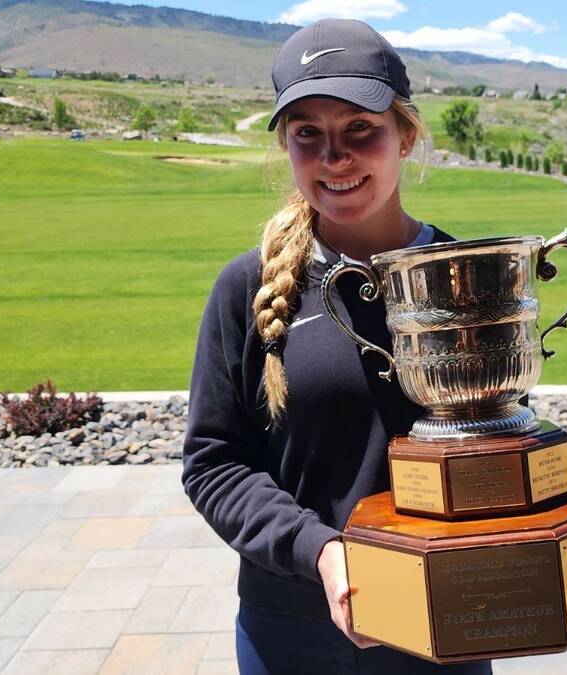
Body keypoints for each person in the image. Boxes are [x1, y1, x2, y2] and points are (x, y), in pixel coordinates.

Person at [181, 18, 492, 675]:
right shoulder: (248, 285)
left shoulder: (466, 276)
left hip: (444, 615)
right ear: (287, 146)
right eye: (308, 136)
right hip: (292, 626)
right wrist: (318, 549)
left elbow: (498, 440)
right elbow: (215, 461)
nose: (334, 158)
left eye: (360, 130)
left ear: (404, 135)